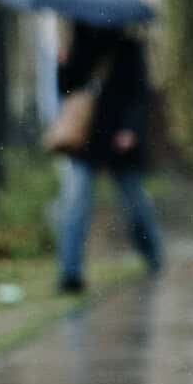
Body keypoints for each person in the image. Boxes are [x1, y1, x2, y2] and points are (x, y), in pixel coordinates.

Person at [52, 18, 164, 290]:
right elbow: (66, 89)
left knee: (135, 205)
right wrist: (63, 64)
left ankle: (153, 256)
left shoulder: (128, 47)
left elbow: (140, 93)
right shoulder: (79, 45)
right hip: (87, 140)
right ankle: (70, 274)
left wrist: (130, 129)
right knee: (76, 205)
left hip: (118, 140)